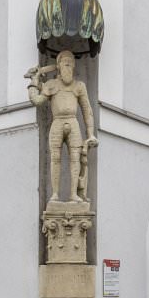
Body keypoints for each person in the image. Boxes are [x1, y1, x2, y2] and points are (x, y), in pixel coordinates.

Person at [25, 50, 98, 202]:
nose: (68, 66)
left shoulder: (79, 86)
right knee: (55, 159)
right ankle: (55, 195)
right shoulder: (51, 85)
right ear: (58, 66)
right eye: (65, 63)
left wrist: (90, 134)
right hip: (57, 122)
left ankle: (73, 194)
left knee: (75, 159)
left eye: (71, 63)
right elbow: (37, 101)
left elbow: (87, 110)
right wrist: (34, 80)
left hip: (73, 122)